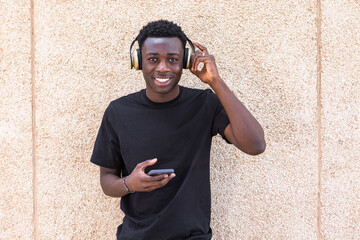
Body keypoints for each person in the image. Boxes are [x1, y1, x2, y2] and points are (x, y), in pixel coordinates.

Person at [91, 19, 266, 240]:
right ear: (137, 62)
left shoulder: (205, 104)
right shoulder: (118, 111)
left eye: (172, 60)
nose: (163, 67)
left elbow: (255, 145)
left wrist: (216, 82)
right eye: (153, 59)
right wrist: (129, 184)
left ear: (184, 62)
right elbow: (107, 180)